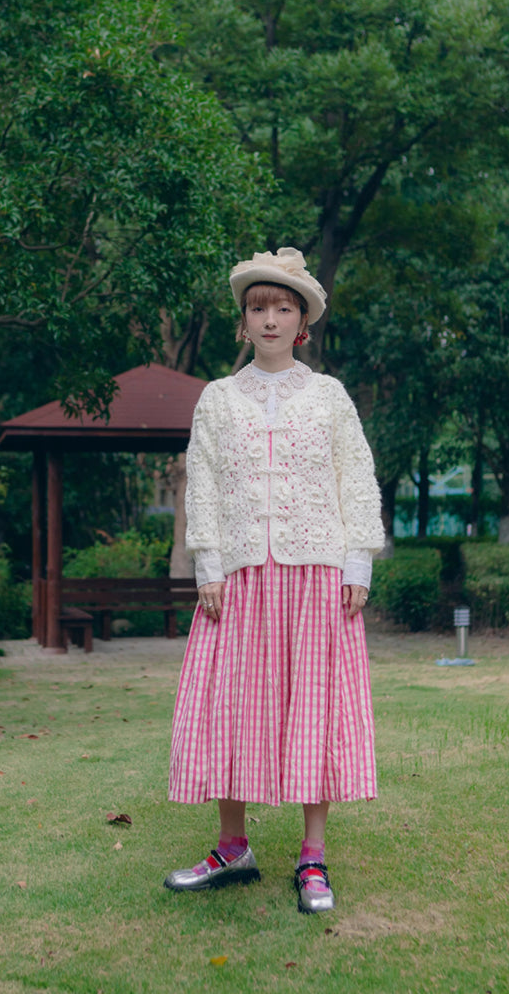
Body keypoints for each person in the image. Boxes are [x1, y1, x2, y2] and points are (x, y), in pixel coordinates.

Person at [164, 247, 384, 913]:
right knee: (230, 705)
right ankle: (234, 847)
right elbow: (200, 481)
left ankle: (312, 858)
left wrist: (358, 560)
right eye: (258, 308)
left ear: (303, 322)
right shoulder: (217, 399)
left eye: (282, 308)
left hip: (316, 571)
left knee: (314, 707)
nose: (269, 319)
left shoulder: (329, 397)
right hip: (237, 575)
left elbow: (356, 476)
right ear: (243, 322)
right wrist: (206, 560)